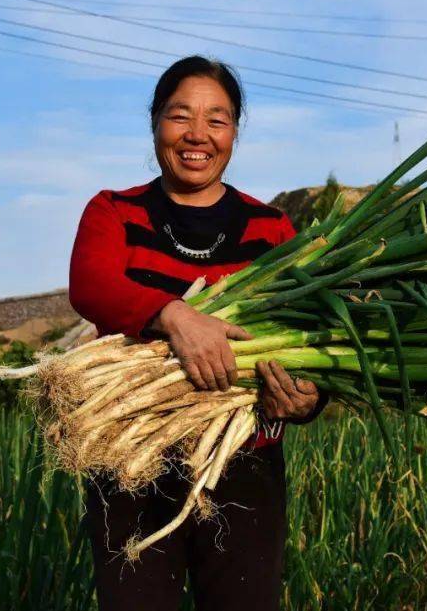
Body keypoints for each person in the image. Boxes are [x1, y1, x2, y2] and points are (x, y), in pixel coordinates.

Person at [68, 56, 328, 611]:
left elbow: (311, 339)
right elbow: (91, 286)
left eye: (218, 119)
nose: (197, 136)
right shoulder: (114, 211)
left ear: (234, 131)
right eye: (180, 116)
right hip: (131, 460)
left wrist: (307, 400)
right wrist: (174, 316)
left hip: (244, 464)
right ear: (155, 121)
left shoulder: (273, 228)